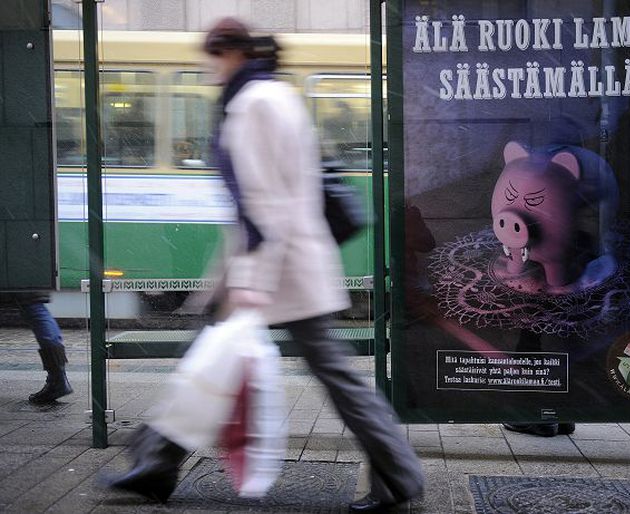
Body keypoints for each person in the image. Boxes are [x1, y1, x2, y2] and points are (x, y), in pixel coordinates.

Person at [105, 19, 424, 511]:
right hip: (280, 262)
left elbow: (263, 202)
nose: (206, 66)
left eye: (210, 55)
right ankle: (155, 463)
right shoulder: (271, 95)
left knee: (327, 375)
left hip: (278, 267)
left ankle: (400, 477)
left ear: (231, 53)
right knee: (208, 362)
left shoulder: (252, 104)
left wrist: (248, 280)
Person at [1, 293, 72, 404]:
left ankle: (57, 380)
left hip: (18, 282)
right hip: (32, 280)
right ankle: (58, 378)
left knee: (35, 310)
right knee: (35, 309)